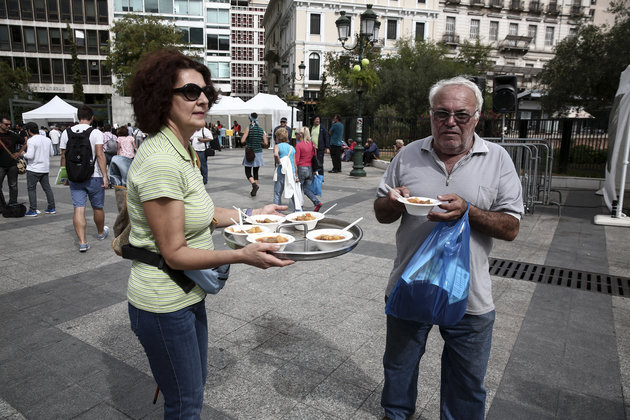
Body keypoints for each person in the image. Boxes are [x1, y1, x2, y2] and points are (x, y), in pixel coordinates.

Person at [126, 47, 293, 419]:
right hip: (164, 302)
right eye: (189, 92)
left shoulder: (183, 150)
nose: (202, 98)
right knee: (185, 405)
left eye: (205, 92)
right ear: (160, 99)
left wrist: (251, 214)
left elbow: (202, 215)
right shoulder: (161, 160)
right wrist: (241, 255)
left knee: (190, 392)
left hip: (186, 294)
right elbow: (174, 252)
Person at [374, 76, 524, 420]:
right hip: (410, 283)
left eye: (461, 114)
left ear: (477, 117)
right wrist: (395, 202)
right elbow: (382, 212)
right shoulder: (408, 155)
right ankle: (396, 414)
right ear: (430, 116)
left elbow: (511, 227)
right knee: (399, 365)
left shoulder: (498, 159)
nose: (451, 122)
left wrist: (468, 211)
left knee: (467, 379)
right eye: (442, 114)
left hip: (469, 291)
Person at [60, 105, 109, 252]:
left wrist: (65, 175)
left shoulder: (66, 132)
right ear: (92, 117)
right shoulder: (96, 133)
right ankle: (100, 233)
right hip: (94, 176)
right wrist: (105, 176)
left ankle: (82, 242)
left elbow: (63, 156)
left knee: (79, 208)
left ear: (77, 117)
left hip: (75, 177)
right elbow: (100, 155)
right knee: (98, 207)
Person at [20, 122, 56, 216]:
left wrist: (23, 153)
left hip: (33, 168)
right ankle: (51, 207)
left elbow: (30, 156)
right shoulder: (47, 139)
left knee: (31, 189)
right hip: (44, 168)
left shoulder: (31, 140)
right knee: (47, 188)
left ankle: (33, 209)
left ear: (28, 131)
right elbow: (52, 153)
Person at [0, 117, 26, 208]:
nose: (9, 126)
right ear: (0, 124)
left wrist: (19, 153)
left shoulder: (12, 135)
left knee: (13, 185)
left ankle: (13, 203)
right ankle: (1, 205)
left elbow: (26, 142)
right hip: (0, 165)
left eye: (9, 124)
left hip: (12, 164)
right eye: (6, 124)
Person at [241, 112, 268, 197]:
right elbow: (266, 143)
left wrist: (247, 142)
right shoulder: (261, 130)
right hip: (259, 153)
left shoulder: (248, 128)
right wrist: (259, 142)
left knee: (247, 171)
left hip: (250, 152)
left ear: (250, 119)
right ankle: (254, 190)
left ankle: (254, 185)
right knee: (256, 172)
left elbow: (242, 140)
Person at [295, 128, 322, 211]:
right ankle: (317, 202)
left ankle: (299, 208)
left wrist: (295, 173)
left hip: (301, 168)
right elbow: (314, 157)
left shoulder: (299, 145)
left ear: (301, 135)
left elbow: (296, 160)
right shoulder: (312, 144)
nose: (296, 135)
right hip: (310, 169)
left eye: (297, 134)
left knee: (297, 190)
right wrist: (315, 170)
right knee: (306, 190)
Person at [272, 127, 297, 210]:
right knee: (292, 191)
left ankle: (277, 210)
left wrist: (278, 162)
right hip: (291, 172)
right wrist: (296, 175)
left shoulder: (277, 146)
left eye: (276, 137)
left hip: (281, 171)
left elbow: (276, 154)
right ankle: (297, 209)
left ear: (278, 137)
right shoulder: (292, 148)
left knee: (277, 193)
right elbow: (294, 162)